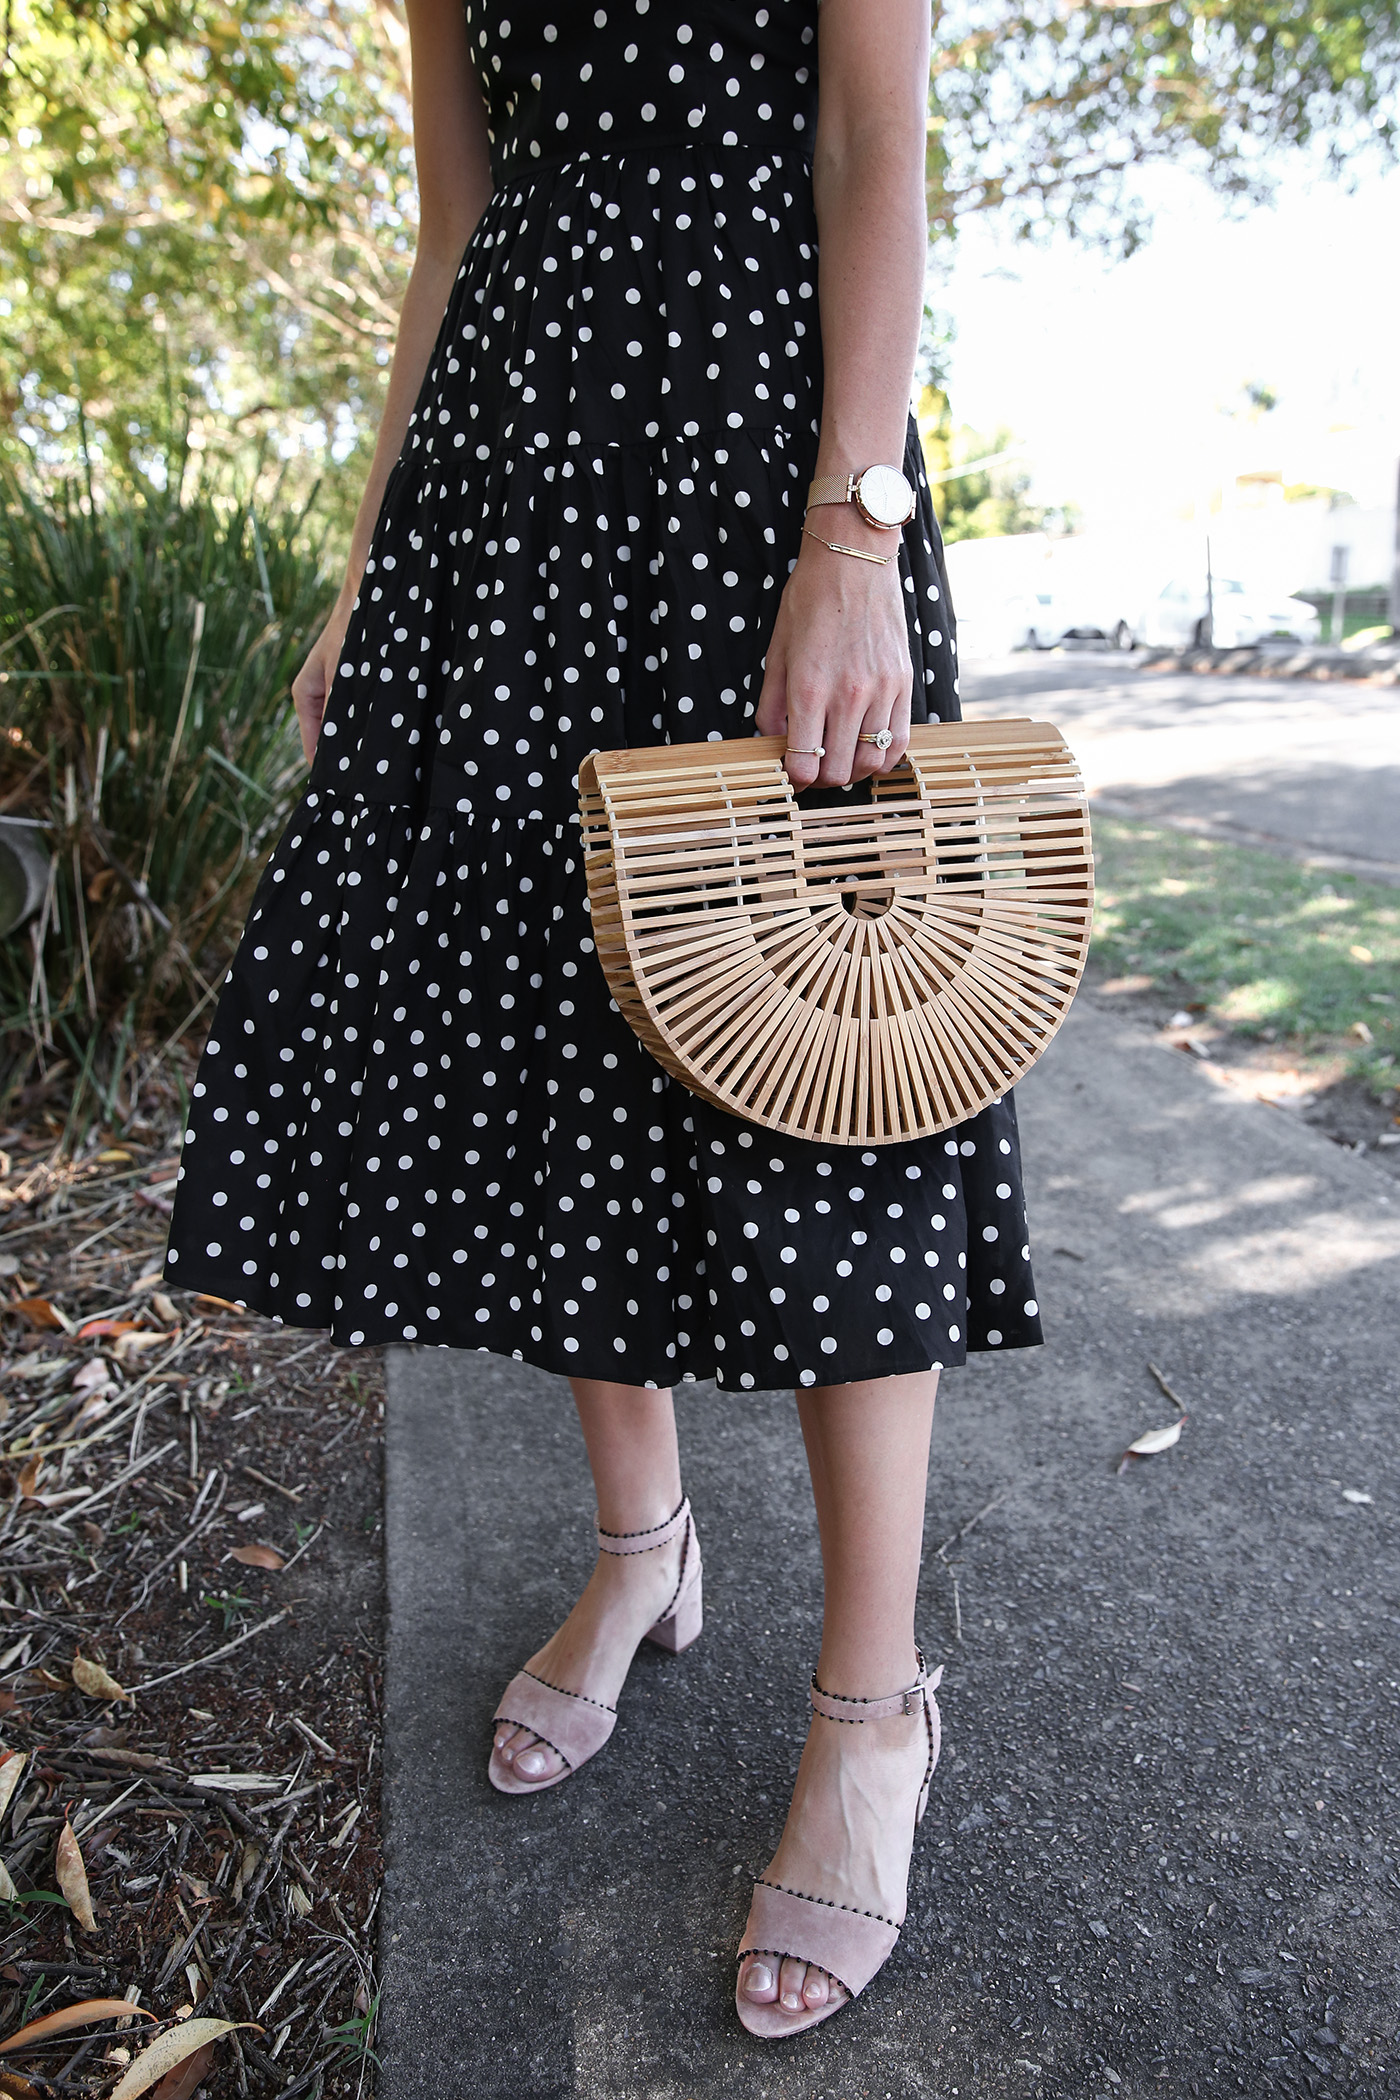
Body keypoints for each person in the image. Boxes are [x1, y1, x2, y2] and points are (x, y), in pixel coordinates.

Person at [164, 0, 1043, 2039]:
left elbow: (868, 154)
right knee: (553, 1033)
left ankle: (871, 1702)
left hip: (762, 463)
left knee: (831, 1062)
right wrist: (381, 554)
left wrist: (853, 536)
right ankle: (641, 1547)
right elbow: (455, 227)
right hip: (511, 494)